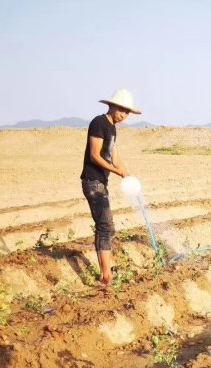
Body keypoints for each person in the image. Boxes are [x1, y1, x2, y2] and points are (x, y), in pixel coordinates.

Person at [80, 89, 141, 286]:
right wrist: (116, 171)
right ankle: (106, 276)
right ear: (111, 106)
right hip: (92, 181)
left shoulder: (113, 128)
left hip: (101, 182)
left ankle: (104, 273)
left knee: (103, 227)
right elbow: (95, 155)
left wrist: (127, 173)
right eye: (121, 110)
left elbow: (113, 154)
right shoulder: (99, 123)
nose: (124, 115)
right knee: (106, 226)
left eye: (127, 112)